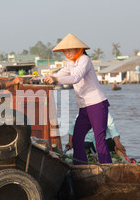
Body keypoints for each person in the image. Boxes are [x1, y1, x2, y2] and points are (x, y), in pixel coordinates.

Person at [44, 33, 112, 164]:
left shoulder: (84, 60)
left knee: (99, 138)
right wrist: (39, 79)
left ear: (79, 49)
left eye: (69, 50)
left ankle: (106, 166)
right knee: (76, 138)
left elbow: (75, 78)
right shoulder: (71, 63)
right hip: (84, 107)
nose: (67, 53)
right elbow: (58, 74)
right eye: (65, 51)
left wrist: (56, 79)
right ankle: (80, 165)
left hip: (97, 104)